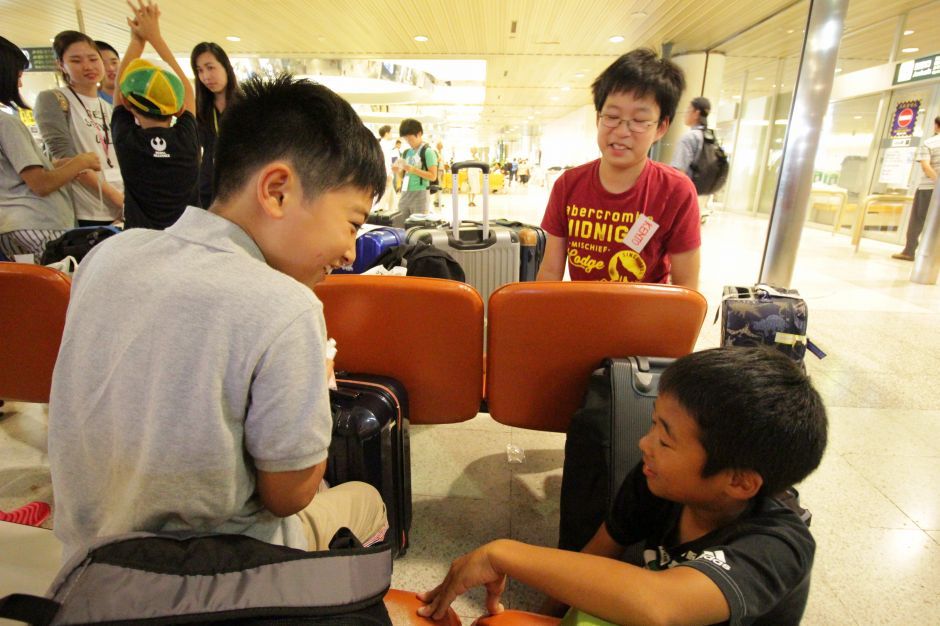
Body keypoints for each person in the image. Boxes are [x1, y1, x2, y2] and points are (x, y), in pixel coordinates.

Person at [48, 73, 389, 562]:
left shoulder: (108, 256)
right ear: (276, 191)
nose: (351, 251)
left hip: (86, 564)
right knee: (365, 501)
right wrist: (316, 382)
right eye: (352, 223)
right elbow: (288, 495)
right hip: (211, 574)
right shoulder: (286, 307)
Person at [418, 347, 828, 625]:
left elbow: (660, 604)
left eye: (665, 440)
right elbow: (598, 555)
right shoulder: (658, 483)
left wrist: (504, 553)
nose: (643, 445)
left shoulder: (779, 545)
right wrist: (546, 620)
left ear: (740, 481)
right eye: (653, 426)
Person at [536, 48, 700, 289]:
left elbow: (686, 285)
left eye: (639, 121)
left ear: (661, 127)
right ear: (597, 118)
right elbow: (550, 272)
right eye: (612, 116)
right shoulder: (568, 185)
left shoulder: (676, 190)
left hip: (644, 321)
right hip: (582, 316)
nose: (622, 131)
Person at [0, 35, 98, 260]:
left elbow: (13, 174)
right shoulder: (7, 122)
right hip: (35, 224)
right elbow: (40, 184)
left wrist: (57, 165)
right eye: (18, 75)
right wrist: (81, 162)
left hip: (12, 225)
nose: (21, 83)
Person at [111, 0, 198, 230]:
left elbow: (118, 91)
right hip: (186, 240)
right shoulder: (187, 141)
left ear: (129, 105)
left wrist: (137, 41)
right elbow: (188, 90)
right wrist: (155, 37)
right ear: (179, 109)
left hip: (141, 244)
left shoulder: (127, 142)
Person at [35, 30, 124, 226]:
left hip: (122, 207)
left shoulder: (108, 106)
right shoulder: (53, 99)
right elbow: (64, 158)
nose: (88, 66)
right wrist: (118, 200)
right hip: (86, 212)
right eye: (76, 61)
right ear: (61, 65)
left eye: (93, 59)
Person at [191, 41, 239, 209]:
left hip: (238, 185)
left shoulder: (246, 104)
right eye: (200, 70)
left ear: (226, 66)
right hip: (208, 187)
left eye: (210, 67)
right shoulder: (200, 108)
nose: (206, 76)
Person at [893, 115, 940, 261]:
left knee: (918, 220)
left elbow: (926, 167)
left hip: (928, 188)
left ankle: (909, 251)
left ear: (936, 126)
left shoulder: (929, 143)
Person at [671, 96, 712, 214]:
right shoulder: (708, 136)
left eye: (688, 110)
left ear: (696, 113)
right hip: (702, 193)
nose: (685, 114)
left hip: (685, 194)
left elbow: (677, 171)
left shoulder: (689, 138)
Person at [395, 118, 438, 219]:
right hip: (405, 193)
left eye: (410, 139)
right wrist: (399, 169)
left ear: (419, 134)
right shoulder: (406, 152)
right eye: (406, 139)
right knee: (400, 224)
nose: (408, 142)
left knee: (417, 227)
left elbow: (433, 176)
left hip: (421, 193)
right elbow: (402, 174)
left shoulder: (428, 152)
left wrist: (413, 169)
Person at [377, 124, 397, 213]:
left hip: (384, 171)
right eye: (390, 132)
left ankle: (393, 208)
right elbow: (385, 160)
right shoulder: (386, 145)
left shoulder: (380, 144)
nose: (391, 134)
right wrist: (388, 173)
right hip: (386, 171)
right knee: (387, 189)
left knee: (390, 190)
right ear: (386, 133)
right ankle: (379, 207)